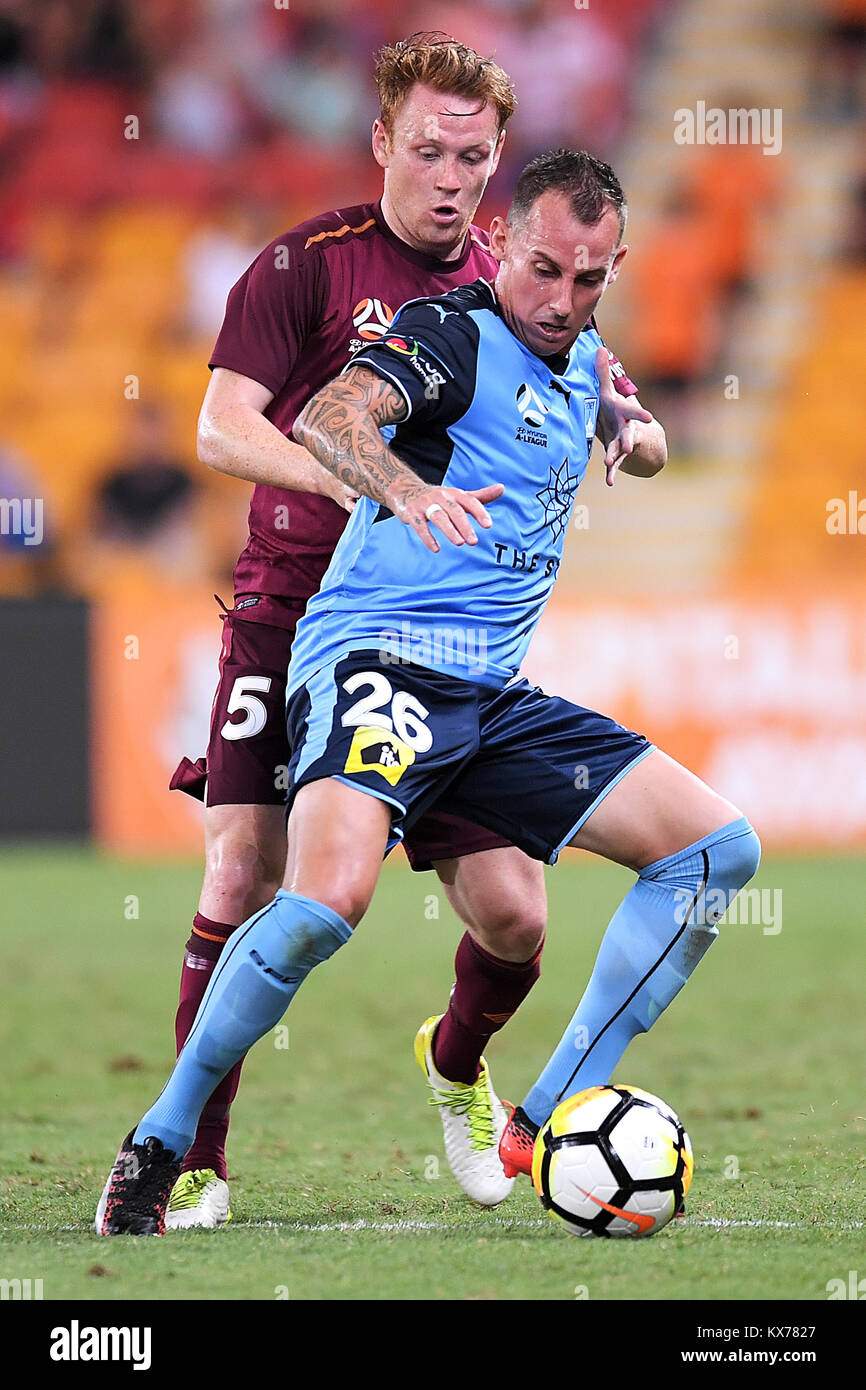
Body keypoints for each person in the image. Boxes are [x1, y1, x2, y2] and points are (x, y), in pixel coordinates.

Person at [97, 147, 760, 1236]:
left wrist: (632, 437)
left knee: (708, 853)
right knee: (323, 905)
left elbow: (631, 433)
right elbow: (330, 419)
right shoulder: (450, 333)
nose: (559, 300)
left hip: (488, 696)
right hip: (374, 662)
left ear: (614, 267)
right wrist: (408, 493)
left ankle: (537, 1115)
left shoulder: (580, 349)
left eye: (588, 280)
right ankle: (161, 1140)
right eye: (543, 269)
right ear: (504, 244)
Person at [157, 33, 642, 1228]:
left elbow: (597, 381)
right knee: (242, 869)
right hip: (290, 615)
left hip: (435, 643)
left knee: (517, 915)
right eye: (427, 149)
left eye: (472, 156)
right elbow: (221, 428)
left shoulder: (515, 275)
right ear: (381, 141)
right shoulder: (304, 265)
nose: (449, 176)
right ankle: (193, 1160)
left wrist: (627, 424)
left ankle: (457, 1064)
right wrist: (365, 485)